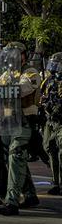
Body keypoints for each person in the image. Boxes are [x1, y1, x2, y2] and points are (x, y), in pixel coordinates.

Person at [0, 42, 41, 216]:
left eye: (16, 54)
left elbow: (23, 89)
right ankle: (30, 195)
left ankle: (12, 202)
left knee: (15, 156)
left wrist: (4, 87)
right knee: (15, 159)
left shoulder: (30, 72)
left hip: (25, 122)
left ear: (24, 55)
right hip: (10, 121)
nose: (12, 57)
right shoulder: (8, 74)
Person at [43, 52, 62, 196]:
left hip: (60, 120)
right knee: (49, 147)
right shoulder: (49, 81)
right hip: (50, 120)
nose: (53, 68)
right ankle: (56, 182)